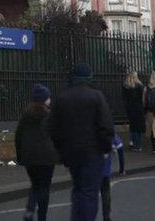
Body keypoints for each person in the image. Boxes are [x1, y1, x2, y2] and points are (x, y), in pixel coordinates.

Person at [48, 63, 113, 221]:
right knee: (90, 193)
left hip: (71, 153)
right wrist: (106, 149)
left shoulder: (61, 98)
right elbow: (106, 126)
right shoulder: (97, 96)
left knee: (78, 190)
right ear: (89, 77)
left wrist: (61, 152)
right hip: (93, 151)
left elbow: (53, 128)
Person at [15, 84, 56, 221]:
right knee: (44, 188)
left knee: (35, 184)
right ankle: (41, 217)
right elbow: (56, 135)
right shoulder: (49, 115)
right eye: (48, 97)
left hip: (29, 158)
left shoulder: (26, 116)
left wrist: (20, 157)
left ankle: (30, 209)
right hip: (46, 158)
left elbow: (18, 137)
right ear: (45, 99)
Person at [100, 133, 125, 221]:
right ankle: (106, 217)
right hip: (104, 171)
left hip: (89, 170)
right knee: (105, 193)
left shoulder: (87, 131)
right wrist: (122, 169)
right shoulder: (109, 132)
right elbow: (120, 150)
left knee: (88, 194)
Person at [121, 72, 145, 151]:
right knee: (139, 127)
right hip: (139, 108)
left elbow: (123, 98)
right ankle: (139, 145)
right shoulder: (140, 86)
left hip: (130, 108)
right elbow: (143, 98)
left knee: (133, 126)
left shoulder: (125, 86)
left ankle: (134, 144)